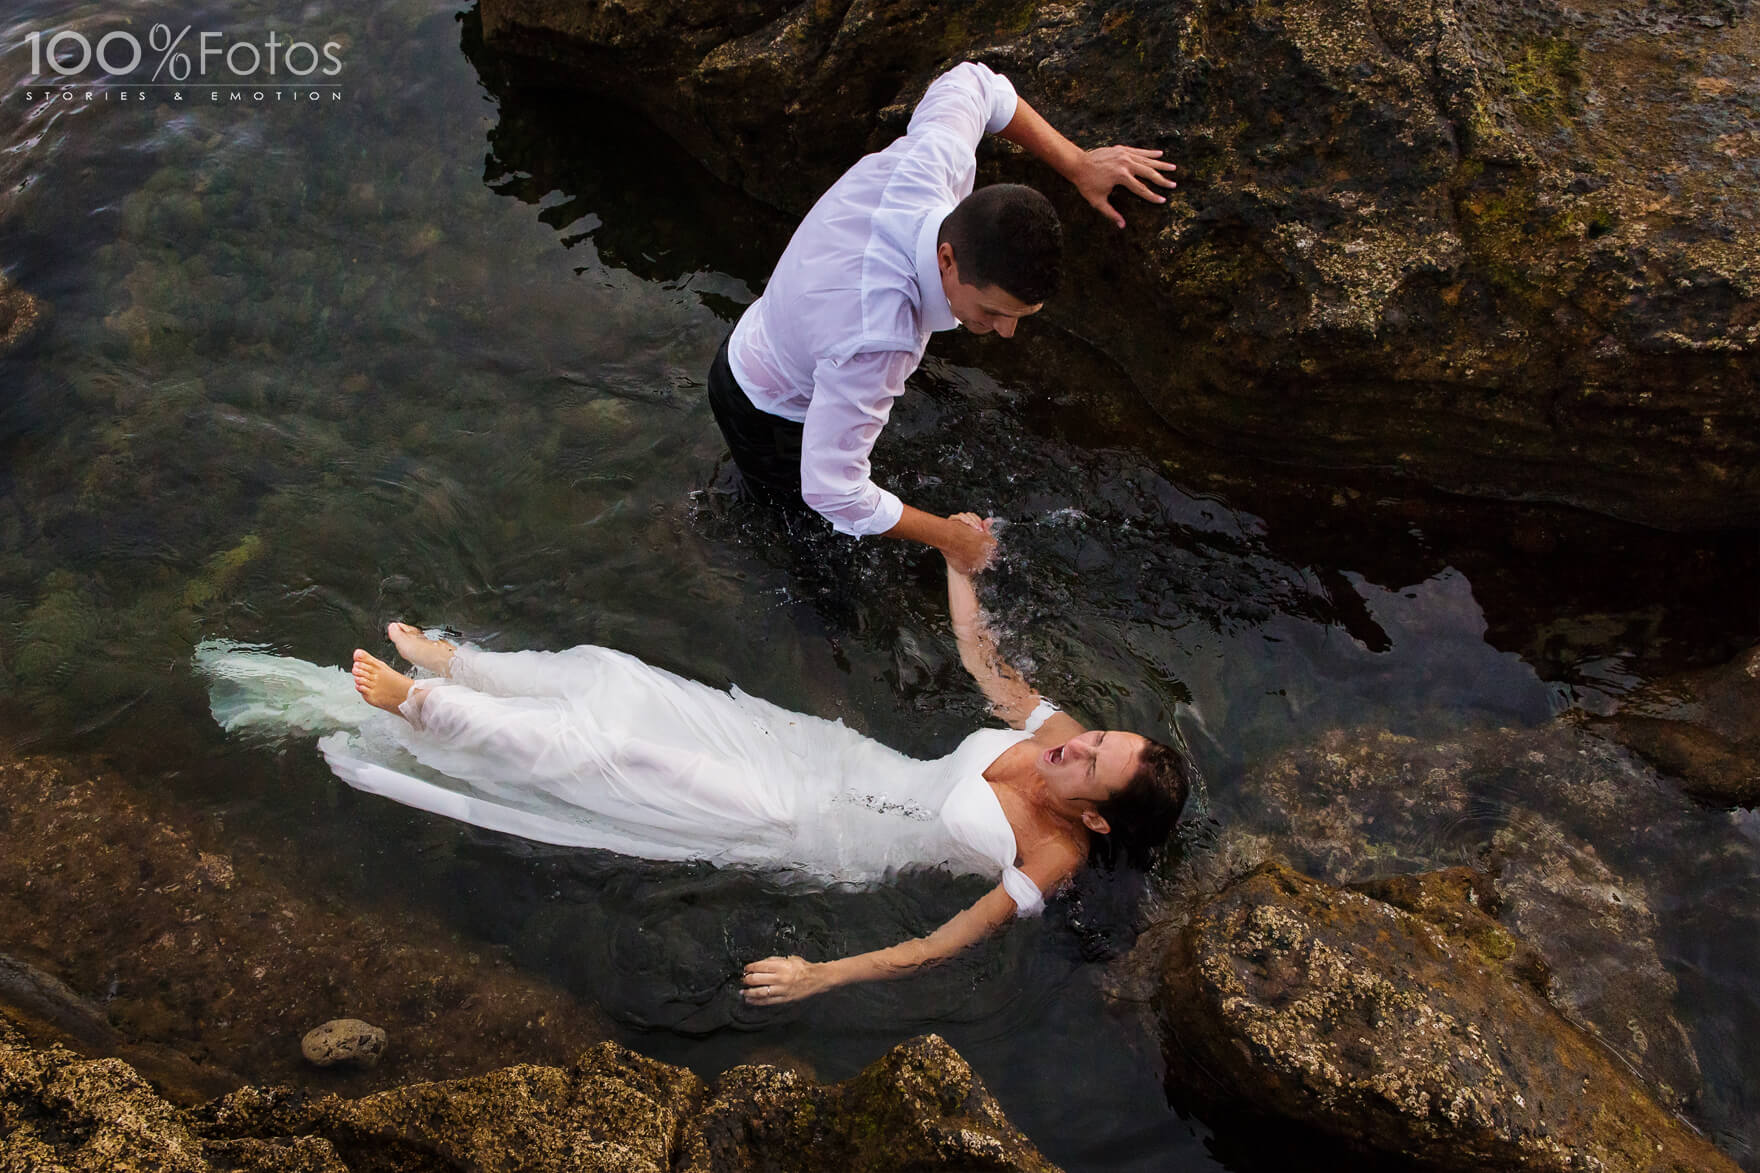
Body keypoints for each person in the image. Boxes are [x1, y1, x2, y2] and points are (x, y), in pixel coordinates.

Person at [194, 518, 1192, 1005]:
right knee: (622, 681)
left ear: (1094, 818)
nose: (1072, 745)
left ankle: (428, 711)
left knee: (620, 757)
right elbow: (983, 662)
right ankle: (461, 664)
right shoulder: (1048, 726)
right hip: (824, 756)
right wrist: (953, 561)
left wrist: (818, 976)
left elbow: (934, 948)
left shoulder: (1046, 862)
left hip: (809, 829)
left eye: (1088, 765)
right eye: (1095, 737)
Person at [709, 62, 1177, 575]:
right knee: (820, 567)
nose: (1006, 331)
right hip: (766, 409)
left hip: (778, 332)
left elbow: (980, 84)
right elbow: (832, 490)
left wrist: (1079, 164)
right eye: (994, 312)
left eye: (1022, 316)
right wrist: (953, 540)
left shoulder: (935, 160)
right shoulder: (881, 337)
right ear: (948, 260)